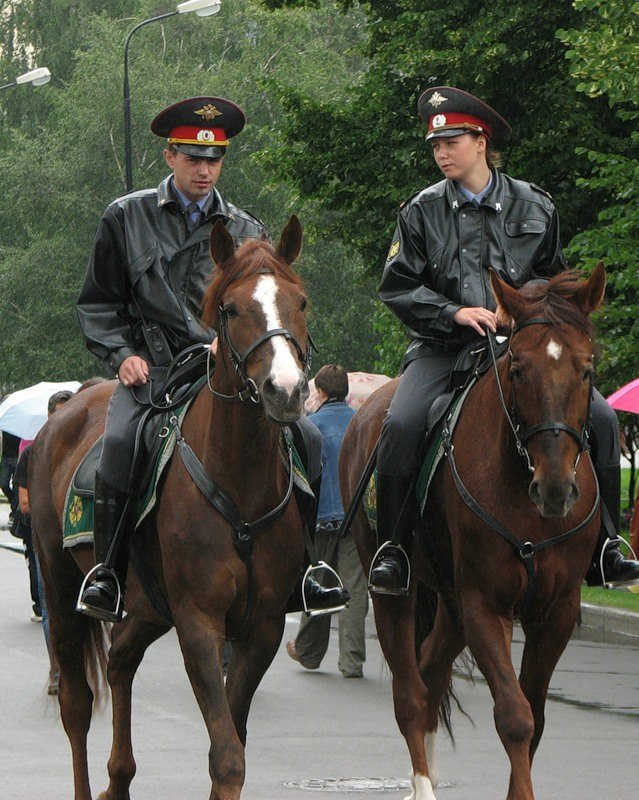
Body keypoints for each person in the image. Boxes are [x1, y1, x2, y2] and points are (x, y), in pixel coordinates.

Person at [75, 96, 349, 622]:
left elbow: (269, 308)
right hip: (154, 370)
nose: (204, 170)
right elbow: (98, 303)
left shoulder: (247, 228)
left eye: (214, 159)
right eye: (192, 158)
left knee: (308, 438)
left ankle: (309, 568)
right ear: (169, 157)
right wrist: (122, 354)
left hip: (227, 372)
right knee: (119, 443)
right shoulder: (125, 217)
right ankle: (107, 572)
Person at [370, 86, 639, 595]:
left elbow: (555, 283)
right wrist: (453, 311)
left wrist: (524, 303)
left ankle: (606, 545)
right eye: (435, 145)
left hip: (523, 346)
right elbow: (397, 286)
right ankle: (395, 550)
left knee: (601, 417)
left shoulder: (536, 205)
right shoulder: (420, 211)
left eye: (451, 141)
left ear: (480, 140)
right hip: (442, 349)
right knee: (401, 424)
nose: (442, 153)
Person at [286, 366, 368, 678]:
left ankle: (308, 652)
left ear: (319, 393)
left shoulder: (310, 426)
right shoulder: (361, 423)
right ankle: (352, 662)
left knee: (318, 582)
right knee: (355, 588)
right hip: (355, 517)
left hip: (319, 519)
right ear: (344, 392)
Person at [15, 389, 74, 694]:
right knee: (53, 607)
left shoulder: (82, 452)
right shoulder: (33, 454)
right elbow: (25, 503)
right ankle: (57, 667)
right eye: (60, 414)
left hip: (77, 538)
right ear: (50, 417)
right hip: (47, 538)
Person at [0, 430, 20, 524]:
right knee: (3, 484)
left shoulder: (19, 426)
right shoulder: (6, 424)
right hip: (5, 457)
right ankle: (14, 502)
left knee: (16, 485)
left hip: (17, 457)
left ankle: (14, 513)